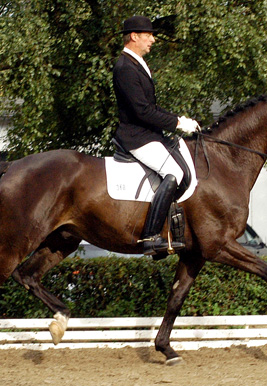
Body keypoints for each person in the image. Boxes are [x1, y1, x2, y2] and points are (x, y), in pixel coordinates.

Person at [113, 15, 200, 255]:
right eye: (148, 35)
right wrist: (176, 123)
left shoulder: (137, 63)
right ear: (134, 36)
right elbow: (141, 111)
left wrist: (180, 120)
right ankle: (151, 236)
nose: (152, 39)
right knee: (174, 172)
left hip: (148, 133)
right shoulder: (124, 67)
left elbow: (151, 107)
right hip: (136, 136)